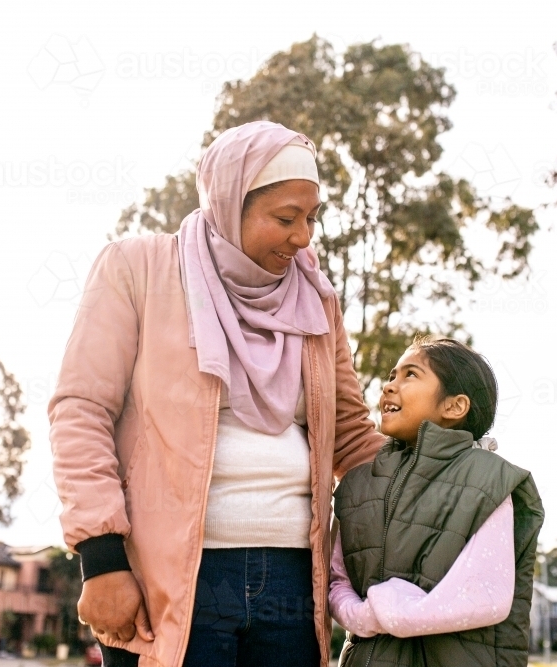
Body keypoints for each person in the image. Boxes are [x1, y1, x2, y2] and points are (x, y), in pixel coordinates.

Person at [48, 120, 385, 667]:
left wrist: (448, 484)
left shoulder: (315, 297)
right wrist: (102, 559)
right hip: (172, 577)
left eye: (310, 218)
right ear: (230, 203)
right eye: (285, 218)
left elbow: (348, 433)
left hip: (294, 582)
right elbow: (81, 411)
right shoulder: (138, 269)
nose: (303, 237)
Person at [330, 337, 545, 667]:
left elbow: (487, 595)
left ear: (454, 406)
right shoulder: (357, 484)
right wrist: (362, 617)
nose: (389, 386)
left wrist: (387, 610)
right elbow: (338, 583)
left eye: (410, 375)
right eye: (391, 376)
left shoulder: (488, 480)